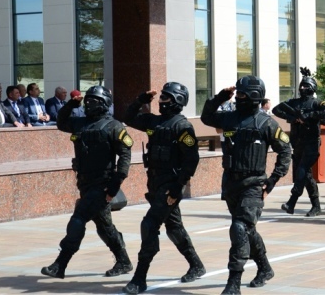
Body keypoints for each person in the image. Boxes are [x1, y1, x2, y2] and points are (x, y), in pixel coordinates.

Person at [201, 75, 291, 294]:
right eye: (237, 94)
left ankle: (234, 283)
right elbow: (206, 117)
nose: (238, 97)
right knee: (246, 230)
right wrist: (221, 97)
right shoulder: (229, 118)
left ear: (253, 96)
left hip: (254, 184)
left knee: (239, 228)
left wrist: (271, 182)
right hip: (231, 183)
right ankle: (265, 267)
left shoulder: (266, 123)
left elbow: (285, 151)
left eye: (241, 94)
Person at [40, 86, 133, 279]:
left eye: (94, 101)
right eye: (87, 101)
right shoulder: (81, 123)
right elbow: (61, 122)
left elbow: (125, 157)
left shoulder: (113, 126)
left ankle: (60, 264)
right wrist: (70, 104)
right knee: (104, 227)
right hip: (85, 182)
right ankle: (123, 261)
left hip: (103, 184)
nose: (89, 104)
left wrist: (115, 186)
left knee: (78, 219)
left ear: (105, 104)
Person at [123, 82, 204, 295]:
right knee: (174, 227)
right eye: (161, 98)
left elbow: (191, 160)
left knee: (149, 225)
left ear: (177, 100)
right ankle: (196, 265)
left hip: (170, 186)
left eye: (166, 98)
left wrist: (178, 188)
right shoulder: (155, 123)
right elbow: (128, 118)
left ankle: (139, 278)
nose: (161, 101)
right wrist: (141, 100)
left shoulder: (183, 127)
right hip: (155, 183)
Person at [272, 67, 325, 217]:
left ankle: (292, 201)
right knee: (304, 175)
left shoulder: (316, 103)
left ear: (312, 88)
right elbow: (277, 109)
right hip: (298, 142)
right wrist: (293, 118)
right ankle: (316, 206)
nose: (302, 88)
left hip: (311, 143)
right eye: (302, 85)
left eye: (306, 86)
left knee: (302, 170)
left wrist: (308, 117)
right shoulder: (294, 102)